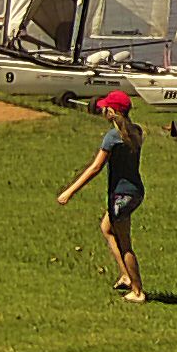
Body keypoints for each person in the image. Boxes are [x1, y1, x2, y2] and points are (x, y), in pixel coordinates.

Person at [57, 91, 147, 303]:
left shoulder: (113, 137)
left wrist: (69, 191)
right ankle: (125, 275)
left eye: (106, 107)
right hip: (136, 192)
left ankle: (137, 291)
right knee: (106, 228)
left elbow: (95, 167)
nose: (102, 110)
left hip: (121, 196)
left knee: (125, 244)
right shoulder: (136, 131)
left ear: (112, 112)